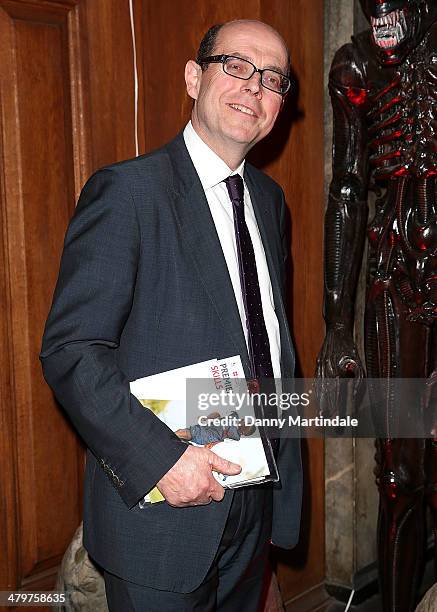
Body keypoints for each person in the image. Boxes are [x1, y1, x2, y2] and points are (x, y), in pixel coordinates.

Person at [40, 19, 302, 611]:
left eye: (273, 79)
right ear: (193, 77)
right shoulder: (126, 193)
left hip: (254, 499)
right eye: (235, 66)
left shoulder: (270, 202)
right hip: (162, 514)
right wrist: (164, 462)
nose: (253, 87)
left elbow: (265, 339)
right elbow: (71, 351)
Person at [316, 2, 437, 610]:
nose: (382, 7)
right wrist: (336, 324)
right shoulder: (356, 67)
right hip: (397, 285)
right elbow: (347, 186)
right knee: (398, 474)